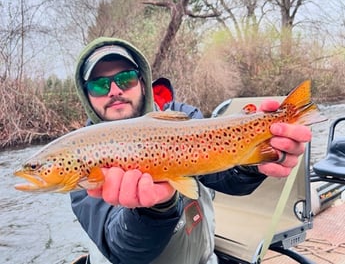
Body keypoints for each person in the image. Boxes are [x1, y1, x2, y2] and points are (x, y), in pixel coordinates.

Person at [70, 36, 311, 264]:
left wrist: (255, 160)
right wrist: (157, 209)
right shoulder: (80, 157)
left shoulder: (185, 119)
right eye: (100, 85)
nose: (114, 91)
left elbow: (226, 178)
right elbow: (123, 252)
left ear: (142, 82)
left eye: (126, 79)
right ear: (87, 95)